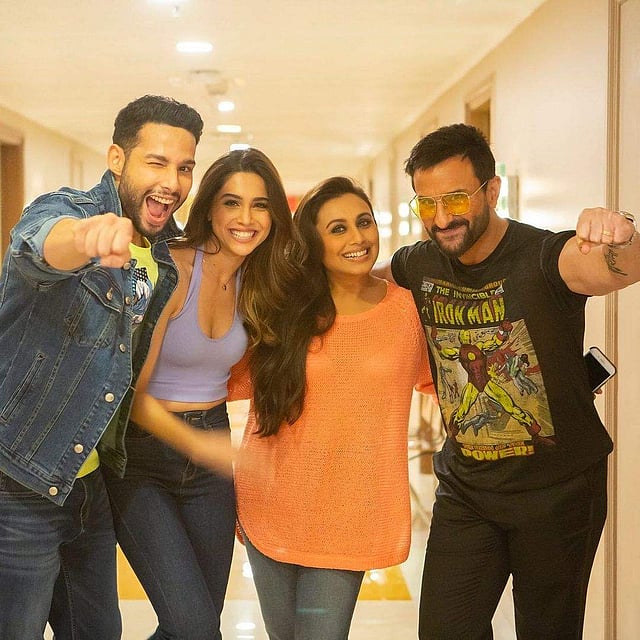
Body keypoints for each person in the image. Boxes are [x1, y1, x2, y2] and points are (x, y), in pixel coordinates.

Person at [375, 123, 640, 639]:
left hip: (558, 492)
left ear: (491, 191)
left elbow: (621, 268)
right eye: (427, 204)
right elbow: (360, 288)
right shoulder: (419, 264)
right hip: (468, 490)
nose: (442, 218)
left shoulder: (545, 258)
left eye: (456, 199)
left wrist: (621, 232)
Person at [0, 95, 203, 640]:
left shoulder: (164, 253)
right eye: (156, 162)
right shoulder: (67, 209)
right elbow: (37, 245)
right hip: (18, 478)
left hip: (89, 485)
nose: (172, 182)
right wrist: (85, 239)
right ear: (117, 159)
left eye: (184, 167)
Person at [102, 147, 301, 640]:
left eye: (260, 205)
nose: (246, 219)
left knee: (198, 626)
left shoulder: (258, 281)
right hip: (143, 459)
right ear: (209, 207)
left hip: (211, 461)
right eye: (232, 202)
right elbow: (132, 395)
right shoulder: (172, 270)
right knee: (192, 626)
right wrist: (201, 446)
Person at [232, 176, 433, 640]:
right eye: (337, 229)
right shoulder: (284, 309)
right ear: (312, 242)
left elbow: (453, 384)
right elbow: (223, 376)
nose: (357, 238)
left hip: (349, 516)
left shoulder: (406, 312)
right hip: (270, 502)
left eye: (364, 222)